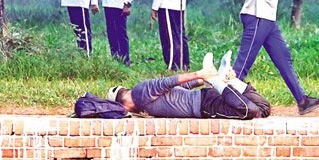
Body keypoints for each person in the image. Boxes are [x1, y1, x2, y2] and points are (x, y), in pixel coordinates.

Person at [107, 51, 270, 119]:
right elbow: (182, 87)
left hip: (206, 106)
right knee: (264, 108)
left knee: (251, 111)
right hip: (208, 97)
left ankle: (218, 81)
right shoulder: (147, 102)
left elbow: (168, 81)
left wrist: (200, 74)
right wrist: (203, 79)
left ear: (124, 105)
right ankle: (225, 79)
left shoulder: (139, 93)